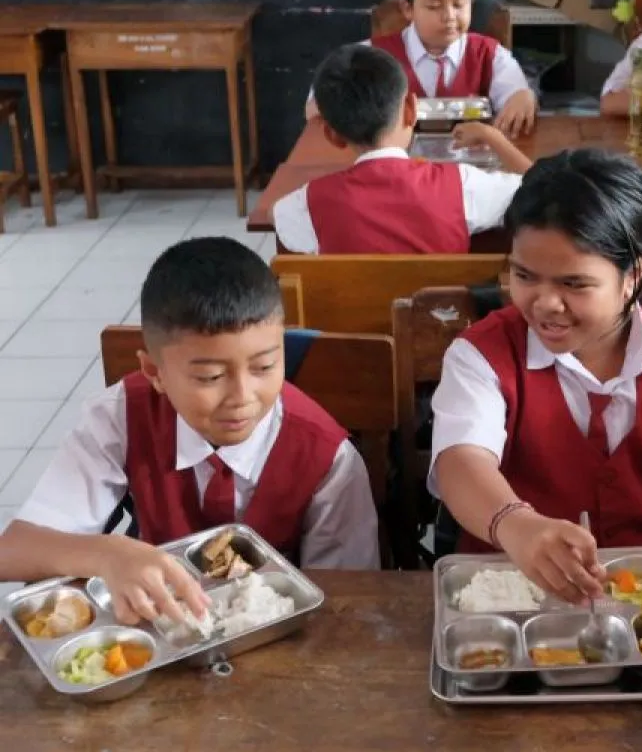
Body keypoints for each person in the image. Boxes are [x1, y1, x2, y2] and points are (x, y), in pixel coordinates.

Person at [429, 149, 642, 603]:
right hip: (512, 596)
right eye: (525, 276)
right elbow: (462, 462)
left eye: (574, 283)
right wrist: (517, 525)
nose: (545, 303)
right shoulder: (482, 355)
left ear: (635, 275)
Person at [0, 238, 380, 626]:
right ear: (155, 372)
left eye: (265, 367)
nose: (242, 397)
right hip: (160, 630)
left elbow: (347, 598)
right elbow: (12, 550)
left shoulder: (326, 457)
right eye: (210, 377)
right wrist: (107, 553)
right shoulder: (119, 418)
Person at [277, 44, 529, 255]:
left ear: (332, 135)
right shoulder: (464, 186)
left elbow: (277, 216)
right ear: (411, 110)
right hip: (442, 302)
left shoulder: (305, 204)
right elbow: (542, 188)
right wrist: (493, 137)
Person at [305, 0, 538, 136]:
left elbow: (517, 94)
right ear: (408, 9)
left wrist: (523, 97)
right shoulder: (374, 56)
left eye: (459, 4)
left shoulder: (490, 54)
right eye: (434, 6)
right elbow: (317, 103)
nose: (449, 16)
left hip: (471, 168)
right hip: (396, 171)